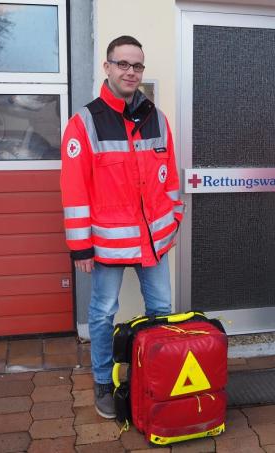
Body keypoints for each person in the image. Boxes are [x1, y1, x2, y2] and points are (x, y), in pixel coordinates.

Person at [60, 35, 184, 418]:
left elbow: (169, 178)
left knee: (162, 307)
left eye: (137, 66)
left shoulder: (157, 118)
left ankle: (157, 372)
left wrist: (174, 218)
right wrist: (80, 246)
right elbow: (74, 187)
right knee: (101, 313)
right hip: (108, 245)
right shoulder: (84, 123)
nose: (131, 72)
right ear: (108, 67)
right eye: (123, 64)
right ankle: (103, 379)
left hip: (153, 243)